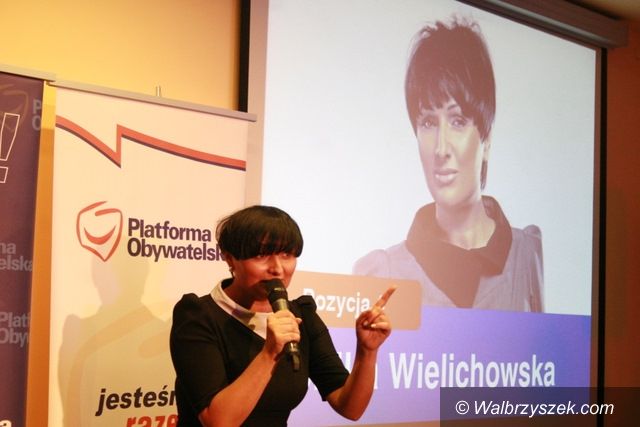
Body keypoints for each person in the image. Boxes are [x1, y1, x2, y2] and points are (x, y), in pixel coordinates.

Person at [353, 17, 543, 312]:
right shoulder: (382, 272)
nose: (441, 148)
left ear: (486, 138)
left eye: (458, 121)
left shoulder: (528, 255)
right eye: (428, 122)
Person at [170, 205, 395, 426]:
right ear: (230, 259)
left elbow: (350, 408)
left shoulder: (302, 315)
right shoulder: (198, 316)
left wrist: (367, 352)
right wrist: (269, 352)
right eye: (261, 255)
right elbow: (218, 421)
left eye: (287, 255)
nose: (277, 268)